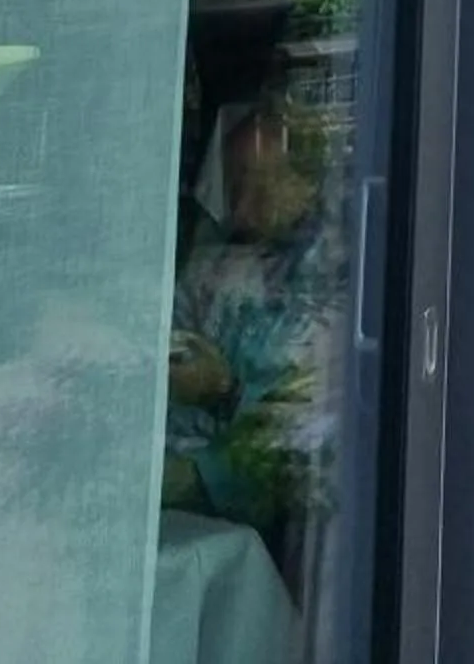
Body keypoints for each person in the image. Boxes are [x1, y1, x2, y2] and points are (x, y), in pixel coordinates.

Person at [164, 91, 343, 582]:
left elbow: (300, 431)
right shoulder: (210, 267)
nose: (240, 210)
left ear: (308, 184)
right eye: (234, 188)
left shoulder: (334, 285)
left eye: (257, 189)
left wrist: (224, 391)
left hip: (261, 523)